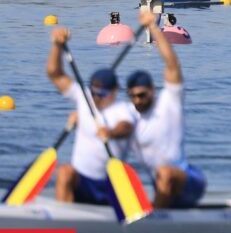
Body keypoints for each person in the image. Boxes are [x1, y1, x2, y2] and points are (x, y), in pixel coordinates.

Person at [125, 12, 206, 209]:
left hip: (188, 180)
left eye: (142, 95)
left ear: (152, 91)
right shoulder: (128, 114)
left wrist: (153, 27)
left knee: (164, 172)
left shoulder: (169, 102)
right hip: (160, 183)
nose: (137, 100)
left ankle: (153, 219)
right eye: (133, 96)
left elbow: (172, 64)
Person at [47, 28, 134, 205]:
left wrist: (110, 132)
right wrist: (57, 45)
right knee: (64, 171)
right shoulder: (84, 97)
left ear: (115, 91)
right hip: (83, 183)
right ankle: (62, 217)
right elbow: (55, 74)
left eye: (102, 94)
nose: (96, 98)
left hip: (110, 185)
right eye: (94, 93)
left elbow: (126, 127)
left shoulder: (124, 109)